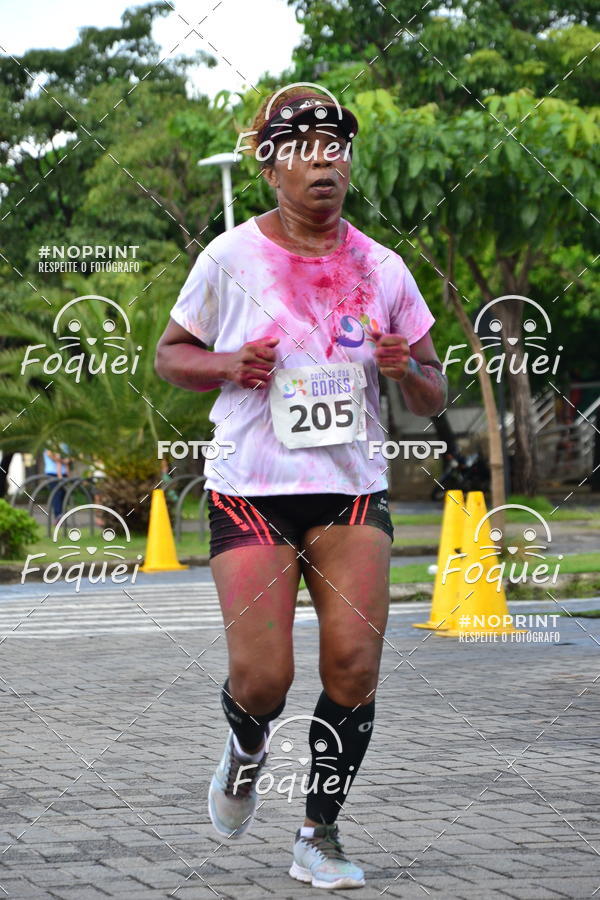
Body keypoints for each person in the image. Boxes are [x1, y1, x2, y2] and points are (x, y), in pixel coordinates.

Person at [155, 87, 448, 891]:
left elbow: (434, 386)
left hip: (351, 491)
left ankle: (319, 833)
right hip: (251, 488)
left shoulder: (382, 267)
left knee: (354, 666)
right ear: (271, 164)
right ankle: (246, 745)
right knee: (264, 681)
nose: (326, 162)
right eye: (306, 150)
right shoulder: (229, 259)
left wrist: (405, 372)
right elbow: (169, 355)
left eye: (338, 150)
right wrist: (224, 364)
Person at [43, 444, 71, 520]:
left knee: (63, 495)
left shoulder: (65, 444)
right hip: (53, 473)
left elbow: (68, 460)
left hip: (63, 473)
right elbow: (54, 457)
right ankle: (58, 515)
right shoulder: (52, 443)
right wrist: (63, 461)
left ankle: (63, 515)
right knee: (56, 494)